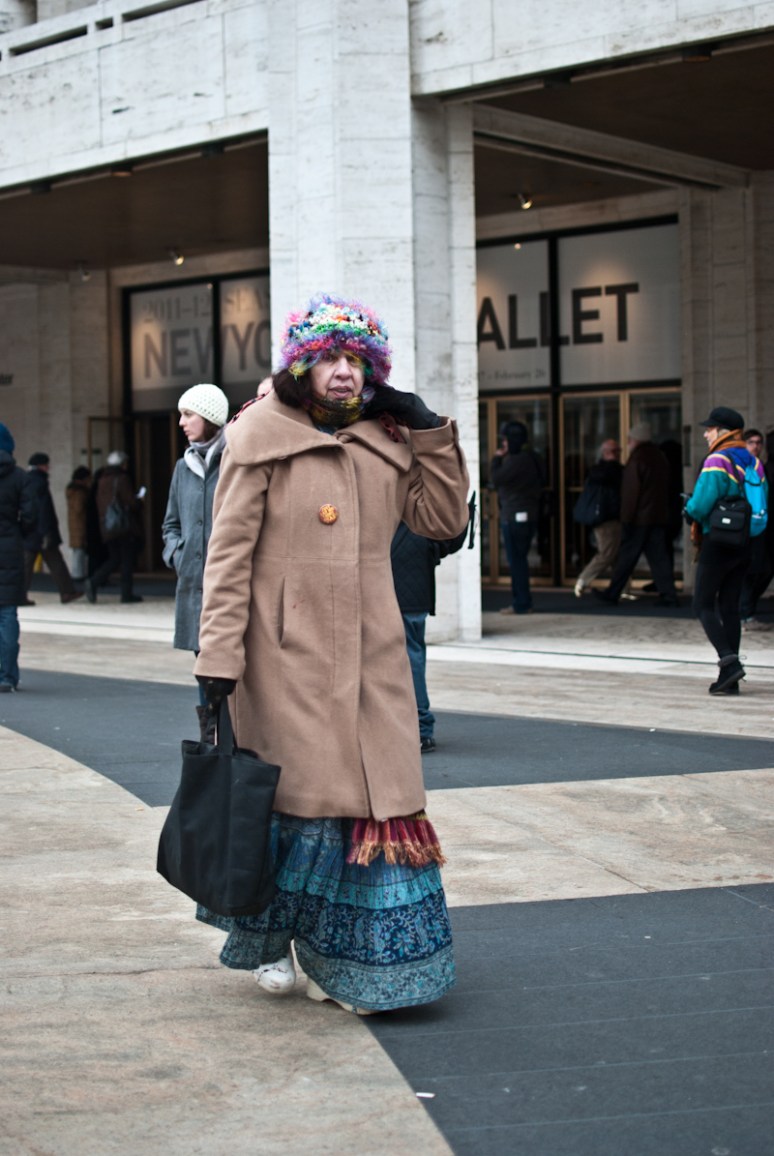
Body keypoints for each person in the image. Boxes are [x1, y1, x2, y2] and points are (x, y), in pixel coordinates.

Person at [192, 292, 469, 1014]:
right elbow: (227, 558)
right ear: (301, 367)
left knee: (373, 808)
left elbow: (442, 519)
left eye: (357, 360)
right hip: (282, 658)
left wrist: (430, 430)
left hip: (373, 654)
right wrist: (216, 657)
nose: (344, 372)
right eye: (329, 359)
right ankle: (278, 944)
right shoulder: (259, 436)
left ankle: (354, 963)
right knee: (297, 811)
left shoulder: (387, 437)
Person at [162, 383, 230, 739]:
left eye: (188, 415)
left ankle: (232, 743)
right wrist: (177, 553)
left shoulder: (236, 462)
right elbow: (170, 524)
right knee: (204, 669)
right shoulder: (182, 466)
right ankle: (210, 743)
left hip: (228, 589)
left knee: (229, 671)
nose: (182, 423)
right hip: (192, 589)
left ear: (209, 417)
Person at [684, 406, 767, 695]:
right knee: (729, 607)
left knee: (702, 605)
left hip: (717, 542)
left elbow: (701, 503)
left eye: (710, 428)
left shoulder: (717, 459)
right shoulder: (754, 461)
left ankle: (729, 664)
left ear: (723, 431)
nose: (706, 433)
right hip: (745, 542)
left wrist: (688, 507)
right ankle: (729, 680)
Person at [390, 510, 470, 754]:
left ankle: (419, 727)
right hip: (415, 580)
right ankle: (420, 728)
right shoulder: (420, 487)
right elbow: (447, 540)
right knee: (414, 653)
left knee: (408, 654)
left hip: (392, 578)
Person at [594, 422, 679, 606]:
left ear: (635, 440)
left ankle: (613, 592)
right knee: (659, 557)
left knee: (627, 557)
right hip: (656, 516)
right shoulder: (659, 457)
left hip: (639, 519)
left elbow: (631, 493)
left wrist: (626, 518)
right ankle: (668, 594)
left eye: (630, 439)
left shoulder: (637, 459)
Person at [490, 421, 545, 615]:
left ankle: (521, 603)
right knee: (519, 560)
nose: (503, 444)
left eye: (504, 440)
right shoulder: (533, 457)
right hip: (527, 514)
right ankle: (522, 602)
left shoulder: (518, 460)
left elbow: (496, 479)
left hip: (515, 515)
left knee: (517, 562)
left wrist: (497, 459)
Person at [0, 424, 38, 691]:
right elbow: (31, 516)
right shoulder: (19, 477)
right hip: (9, 548)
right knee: (7, 612)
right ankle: (7, 676)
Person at [23, 452, 83, 605]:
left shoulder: (25, 481)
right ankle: (67, 592)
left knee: (26, 564)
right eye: (46, 464)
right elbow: (43, 510)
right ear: (40, 466)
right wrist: (46, 532)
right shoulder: (39, 482)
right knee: (56, 563)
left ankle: (18, 595)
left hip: (29, 531)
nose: (48, 468)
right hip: (41, 531)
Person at [86, 451, 143, 603]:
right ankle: (126, 594)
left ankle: (94, 581)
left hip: (107, 524)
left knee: (115, 558)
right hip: (123, 525)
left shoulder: (102, 479)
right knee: (126, 560)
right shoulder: (122, 479)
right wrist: (139, 501)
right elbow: (130, 502)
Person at [573, 438, 623, 597]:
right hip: (606, 518)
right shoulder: (608, 471)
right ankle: (583, 579)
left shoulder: (600, 470)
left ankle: (621, 588)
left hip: (610, 517)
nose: (617, 455)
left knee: (617, 554)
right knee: (608, 553)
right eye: (614, 451)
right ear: (605, 453)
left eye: (618, 451)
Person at [739, 427, 772, 630]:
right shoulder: (743, 466)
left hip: (760, 523)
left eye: (758, 442)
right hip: (746, 525)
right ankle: (744, 612)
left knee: (762, 569)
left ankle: (746, 610)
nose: (756, 446)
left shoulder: (760, 467)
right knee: (749, 570)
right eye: (751, 442)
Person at [65, 466, 91, 582]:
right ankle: (78, 574)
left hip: (75, 523)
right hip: (80, 523)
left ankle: (78, 573)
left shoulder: (72, 490)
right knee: (79, 551)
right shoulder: (80, 492)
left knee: (78, 550)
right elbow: (79, 507)